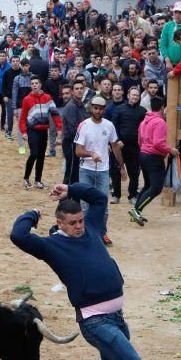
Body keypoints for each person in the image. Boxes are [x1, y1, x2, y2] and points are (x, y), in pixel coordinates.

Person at [9, 182, 171, 360]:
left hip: (116, 317)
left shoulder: (93, 227)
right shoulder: (51, 246)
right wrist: (32, 214)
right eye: (72, 222)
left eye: (80, 220)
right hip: (95, 321)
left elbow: (98, 198)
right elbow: (18, 236)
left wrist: (71, 190)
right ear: (60, 223)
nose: (79, 226)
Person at [75, 96, 124, 245]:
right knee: (85, 205)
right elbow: (78, 151)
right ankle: (85, 234)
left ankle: (102, 233)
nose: (98, 111)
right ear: (91, 108)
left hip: (103, 170)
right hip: (86, 169)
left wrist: (122, 166)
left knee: (103, 204)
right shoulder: (84, 125)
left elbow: (115, 145)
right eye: (95, 108)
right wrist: (91, 154)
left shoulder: (109, 126)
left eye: (101, 108)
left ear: (104, 109)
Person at [129, 96, 179, 225]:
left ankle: (136, 210)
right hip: (153, 157)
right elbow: (158, 143)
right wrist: (170, 150)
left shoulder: (145, 120)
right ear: (163, 108)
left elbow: (140, 140)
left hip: (144, 154)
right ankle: (137, 210)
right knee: (156, 187)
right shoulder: (160, 122)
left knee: (147, 185)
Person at [19, 76, 62, 189]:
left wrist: (59, 128)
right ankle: (26, 178)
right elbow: (22, 118)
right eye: (32, 83)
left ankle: (38, 180)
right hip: (32, 130)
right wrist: (23, 131)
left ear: (40, 85)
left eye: (36, 83)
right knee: (34, 154)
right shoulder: (27, 99)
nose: (34, 85)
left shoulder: (48, 98)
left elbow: (55, 114)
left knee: (41, 156)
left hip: (44, 130)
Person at [111, 87, 146, 205]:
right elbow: (113, 126)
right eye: (133, 95)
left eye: (137, 95)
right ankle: (116, 195)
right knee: (116, 171)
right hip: (120, 145)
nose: (135, 97)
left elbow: (144, 129)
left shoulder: (143, 111)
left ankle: (132, 195)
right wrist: (117, 140)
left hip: (135, 146)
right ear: (128, 96)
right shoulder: (119, 109)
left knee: (134, 172)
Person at [61, 80, 89, 185]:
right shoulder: (72, 106)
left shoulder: (80, 104)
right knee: (71, 172)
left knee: (75, 172)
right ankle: (65, 198)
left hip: (77, 142)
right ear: (72, 92)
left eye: (81, 88)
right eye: (77, 89)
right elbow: (74, 129)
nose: (79, 91)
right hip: (71, 143)